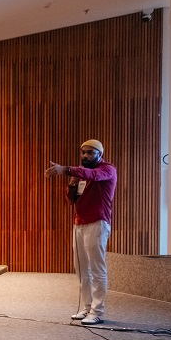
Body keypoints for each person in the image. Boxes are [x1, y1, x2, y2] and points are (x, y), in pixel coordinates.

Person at [46, 139, 118, 325]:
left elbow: (94, 175)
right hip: (79, 223)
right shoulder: (81, 174)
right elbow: (72, 200)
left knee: (96, 268)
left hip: (98, 223)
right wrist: (71, 183)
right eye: (83, 152)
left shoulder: (107, 169)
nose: (85, 155)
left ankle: (98, 310)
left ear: (100, 154)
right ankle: (87, 308)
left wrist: (66, 169)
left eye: (90, 153)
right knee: (81, 268)